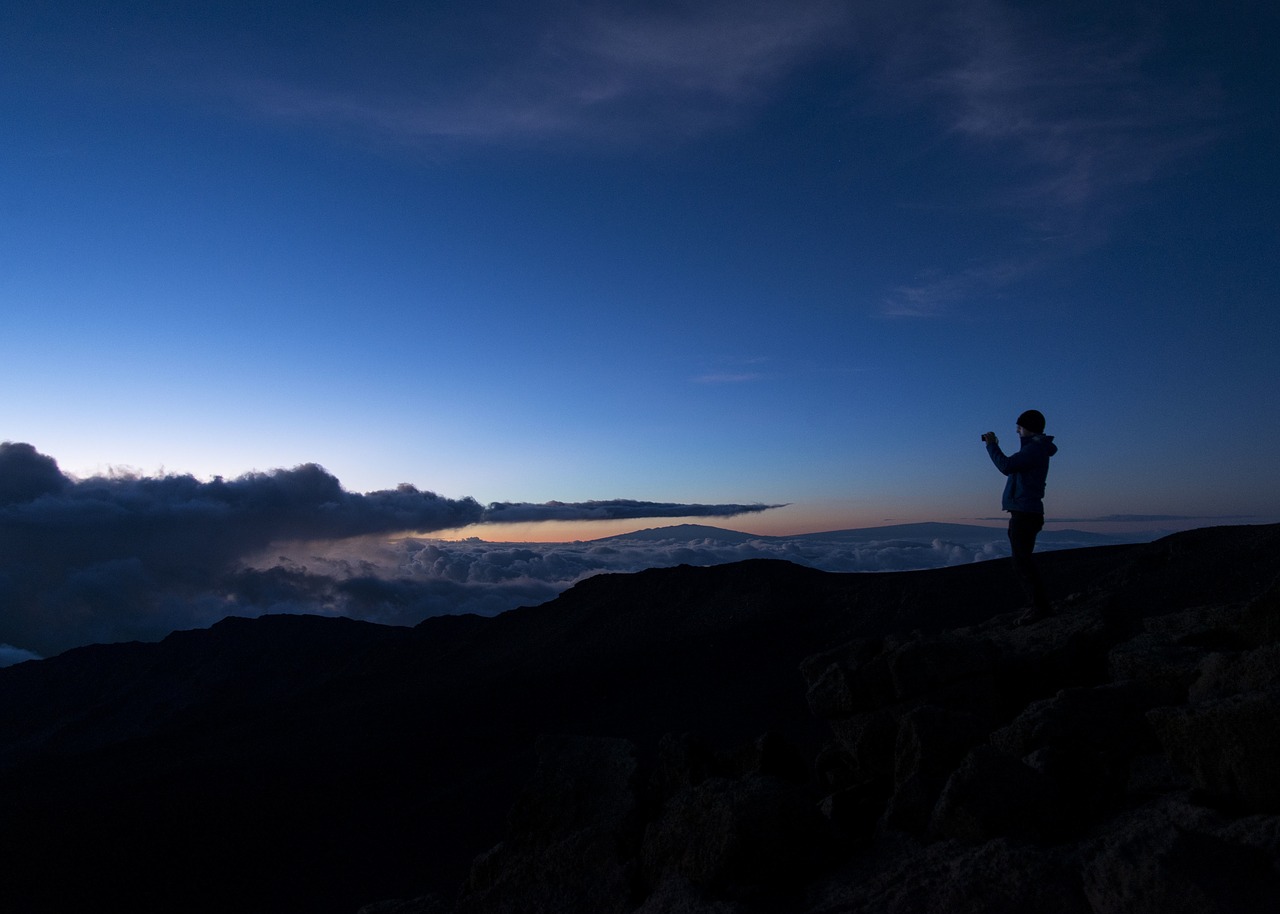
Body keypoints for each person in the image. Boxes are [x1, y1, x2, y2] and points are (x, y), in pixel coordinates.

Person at [982, 410, 1058, 623]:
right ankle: (1038, 605)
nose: (1017, 431)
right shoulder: (1035, 450)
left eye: (1020, 427)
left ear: (1029, 428)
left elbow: (1006, 466)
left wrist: (991, 445)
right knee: (1023, 561)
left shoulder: (1034, 450)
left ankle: (1040, 608)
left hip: (1025, 513)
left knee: (1022, 563)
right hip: (1026, 512)